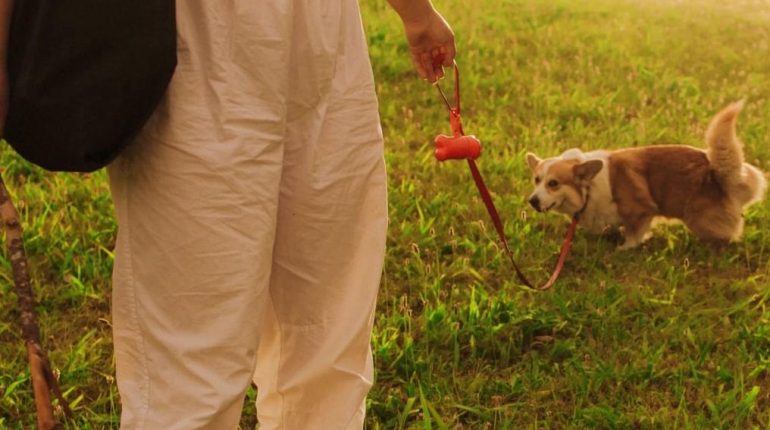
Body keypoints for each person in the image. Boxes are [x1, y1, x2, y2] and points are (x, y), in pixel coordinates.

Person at [1, 0, 455, 428]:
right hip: (192, 43)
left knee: (326, 324)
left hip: (323, 37)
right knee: (194, 350)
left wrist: (416, 11)